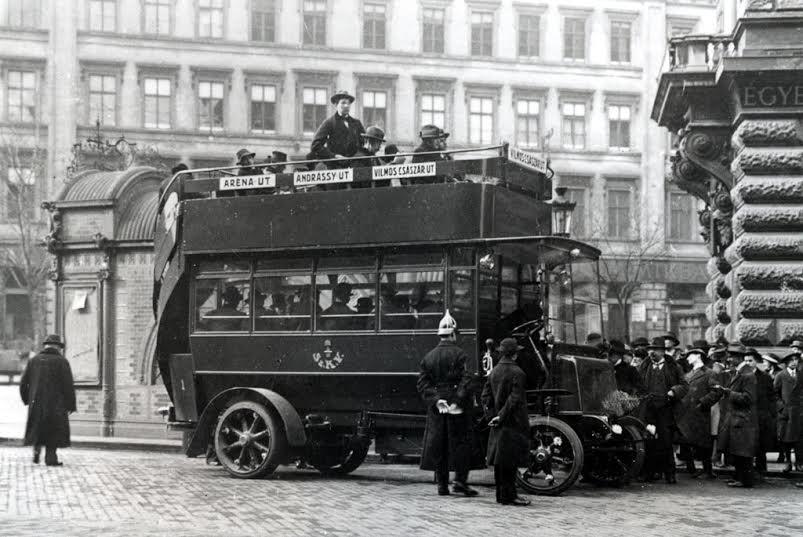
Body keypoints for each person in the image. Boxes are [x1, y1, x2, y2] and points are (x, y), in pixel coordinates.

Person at [417, 310, 479, 497]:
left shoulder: (428, 357)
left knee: (439, 445)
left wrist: (436, 400)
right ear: (452, 334)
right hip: (457, 407)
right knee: (461, 444)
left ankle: (442, 485)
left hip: (438, 408)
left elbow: (422, 384)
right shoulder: (461, 355)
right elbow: (467, 380)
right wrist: (457, 400)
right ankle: (460, 482)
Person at [481, 337, 531, 506]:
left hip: (497, 423)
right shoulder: (519, 373)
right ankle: (511, 496)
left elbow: (485, 396)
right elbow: (514, 399)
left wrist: (492, 417)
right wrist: (501, 416)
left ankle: (501, 495)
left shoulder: (494, 372)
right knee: (510, 461)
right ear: (515, 355)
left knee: (499, 461)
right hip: (512, 422)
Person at [19, 334, 76, 466]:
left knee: (38, 428)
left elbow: (23, 383)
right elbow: (68, 386)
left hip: (36, 403)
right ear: (57, 347)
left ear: (45, 346)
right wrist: (70, 405)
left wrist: (27, 400)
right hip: (56, 405)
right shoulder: (62, 361)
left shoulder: (34, 361)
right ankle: (51, 458)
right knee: (53, 430)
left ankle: (36, 450)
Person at [637, 336, 688, 483]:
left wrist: (673, 391)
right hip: (648, 409)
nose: (652, 353)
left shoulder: (673, 367)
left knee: (666, 442)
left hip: (666, 409)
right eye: (650, 350)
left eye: (656, 350)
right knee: (648, 441)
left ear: (663, 351)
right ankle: (649, 473)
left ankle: (670, 474)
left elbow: (684, 385)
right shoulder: (644, 367)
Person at [715, 350, 759, 488]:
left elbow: (749, 398)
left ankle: (745, 480)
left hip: (743, 419)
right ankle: (740, 478)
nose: (729, 358)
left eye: (732, 356)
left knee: (743, 453)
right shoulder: (741, 372)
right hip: (738, 418)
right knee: (738, 451)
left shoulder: (747, 374)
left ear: (738, 358)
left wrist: (728, 393)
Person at [676, 344, 718, 479]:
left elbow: (716, 392)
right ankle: (691, 469)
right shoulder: (688, 374)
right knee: (686, 442)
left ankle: (708, 471)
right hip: (686, 413)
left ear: (698, 356)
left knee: (704, 444)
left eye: (690, 355)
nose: (688, 358)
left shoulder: (710, 373)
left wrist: (703, 403)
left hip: (700, 413)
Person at [310, 90, 365, 168]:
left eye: (348, 103)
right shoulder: (329, 123)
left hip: (354, 167)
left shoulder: (356, 123)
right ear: (336, 105)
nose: (346, 106)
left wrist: (357, 157)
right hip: (335, 168)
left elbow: (364, 143)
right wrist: (334, 156)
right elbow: (315, 145)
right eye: (343, 103)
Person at [748, 348, 777, 476]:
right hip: (748, 415)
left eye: (750, 360)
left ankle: (761, 469)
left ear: (756, 362)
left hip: (761, 416)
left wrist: (769, 414)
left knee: (761, 445)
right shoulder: (742, 376)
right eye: (746, 360)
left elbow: (771, 396)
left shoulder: (765, 377)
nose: (748, 363)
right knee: (747, 445)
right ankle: (748, 470)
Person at [774, 351, 801, 473]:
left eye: (796, 360)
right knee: (786, 439)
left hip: (799, 412)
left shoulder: (801, 375)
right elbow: (774, 394)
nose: (794, 362)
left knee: (799, 440)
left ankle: (799, 463)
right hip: (786, 413)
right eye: (792, 360)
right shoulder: (781, 375)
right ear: (786, 363)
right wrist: (781, 407)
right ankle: (788, 463)